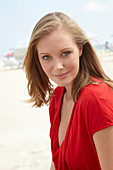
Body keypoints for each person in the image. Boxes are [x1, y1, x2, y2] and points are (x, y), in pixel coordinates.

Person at [23, 12, 113, 170]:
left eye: (65, 53)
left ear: (79, 49)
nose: (57, 66)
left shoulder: (97, 100)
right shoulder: (58, 97)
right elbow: (57, 162)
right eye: (46, 57)